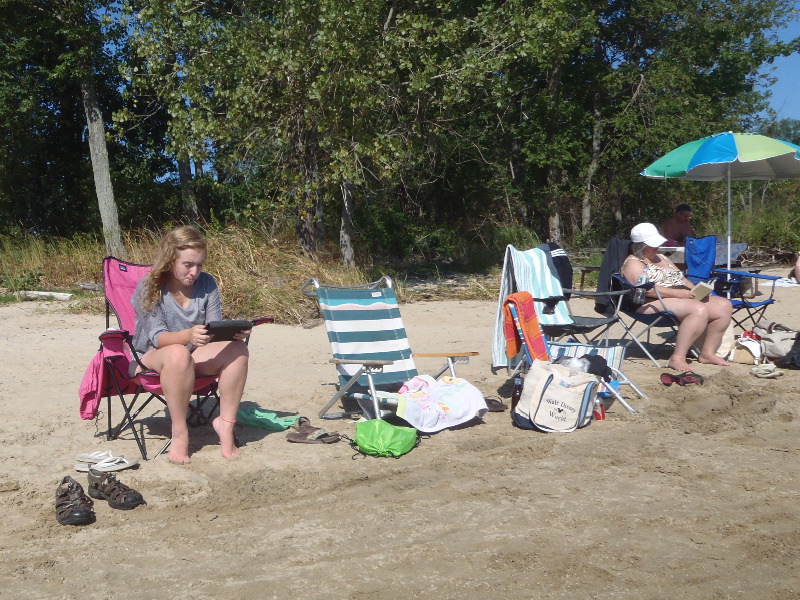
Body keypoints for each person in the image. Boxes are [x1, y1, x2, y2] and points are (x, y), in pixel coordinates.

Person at [131, 225, 250, 464]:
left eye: (200, 264)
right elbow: (157, 337)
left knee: (237, 350)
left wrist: (232, 333)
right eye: (188, 264)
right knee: (176, 353)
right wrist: (187, 336)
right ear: (170, 259)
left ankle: (225, 425)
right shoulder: (150, 286)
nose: (194, 272)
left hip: (193, 354)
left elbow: (213, 326)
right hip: (151, 357)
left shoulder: (207, 283)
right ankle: (179, 431)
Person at [621, 223, 732, 372]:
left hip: (680, 298)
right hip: (651, 302)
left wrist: (696, 290)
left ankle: (707, 353)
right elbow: (645, 290)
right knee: (697, 309)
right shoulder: (634, 263)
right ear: (640, 246)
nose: (657, 247)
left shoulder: (661, 258)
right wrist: (678, 294)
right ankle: (677, 358)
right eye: (652, 245)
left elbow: (681, 279)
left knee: (723, 305)